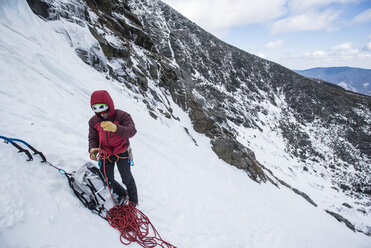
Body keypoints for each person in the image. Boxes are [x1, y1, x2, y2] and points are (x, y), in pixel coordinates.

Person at [88, 90, 138, 206]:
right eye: (98, 113)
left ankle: (133, 201)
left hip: (122, 151)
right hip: (105, 153)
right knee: (106, 178)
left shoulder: (122, 116)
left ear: (109, 105)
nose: (102, 115)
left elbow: (132, 131)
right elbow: (93, 137)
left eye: (104, 111)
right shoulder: (93, 121)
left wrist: (115, 128)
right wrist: (93, 149)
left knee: (126, 177)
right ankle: (122, 193)